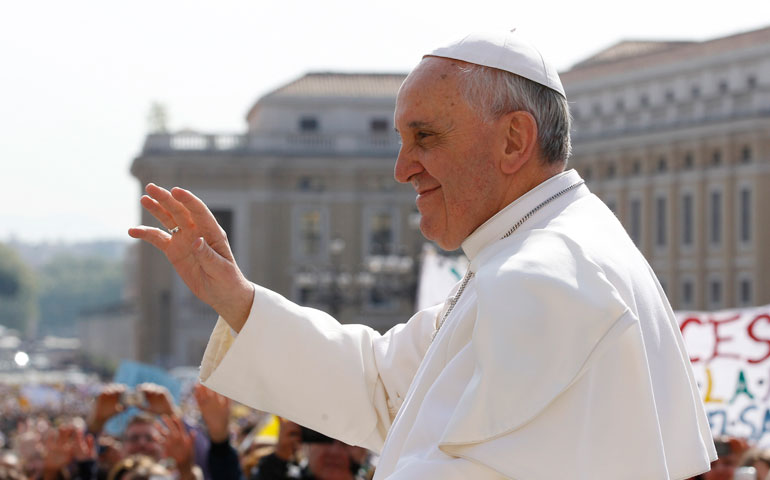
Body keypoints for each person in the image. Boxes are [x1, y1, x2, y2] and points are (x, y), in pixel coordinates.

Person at [129, 30, 716, 478]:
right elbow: (382, 385)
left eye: (425, 137)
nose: (402, 168)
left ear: (514, 139)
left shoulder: (541, 276)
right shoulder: (538, 253)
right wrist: (236, 298)